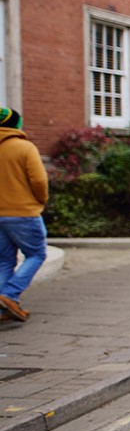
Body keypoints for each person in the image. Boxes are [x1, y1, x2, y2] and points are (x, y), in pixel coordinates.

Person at [0, 107, 48, 323]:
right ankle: (10, 295)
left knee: (3, 261)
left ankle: (2, 309)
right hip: (23, 212)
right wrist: (41, 200)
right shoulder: (24, 147)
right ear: (15, 124)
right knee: (37, 254)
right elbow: (39, 180)